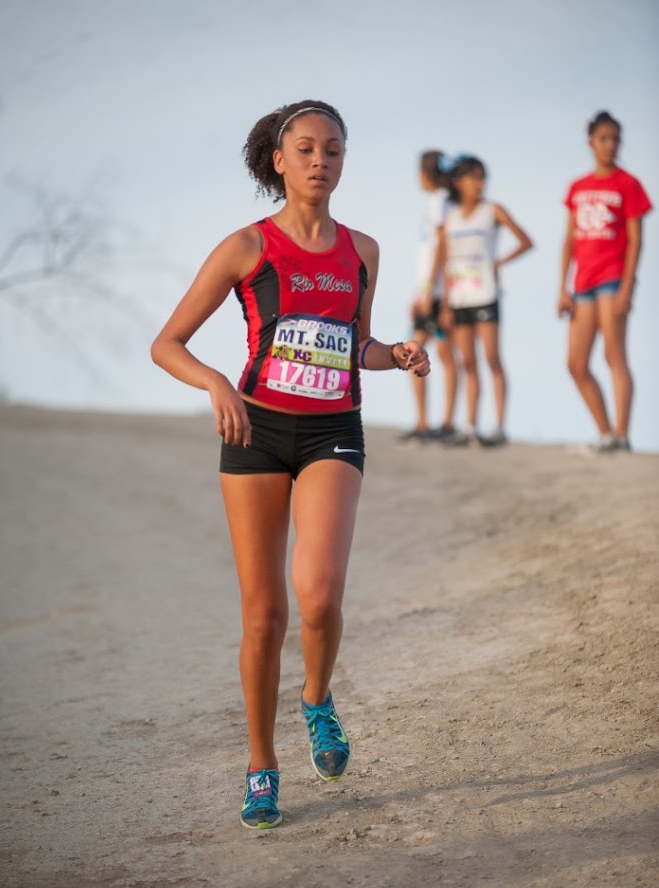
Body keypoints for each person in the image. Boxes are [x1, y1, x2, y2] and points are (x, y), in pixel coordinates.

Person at [150, 100, 429, 830]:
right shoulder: (247, 246)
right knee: (263, 617)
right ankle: (260, 765)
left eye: (333, 150)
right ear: (279, 161)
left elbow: (356, 344)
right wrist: (215, 384)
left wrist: (393, 355)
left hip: (334, 429)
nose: (320, 161)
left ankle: (316, 700)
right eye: (305, 149)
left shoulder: (362, 251)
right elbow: (167, 343)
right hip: (256, 432)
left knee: (320, 597)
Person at [558, 110, 652, 452]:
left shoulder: (629, 184)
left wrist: (628, 287)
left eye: (615, 138)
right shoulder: (578, 188)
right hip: (582, 284)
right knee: (576, 363)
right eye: (603, 138)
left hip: (613, 281)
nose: (610, 145)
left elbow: (636, 239)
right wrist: (562, 289)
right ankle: (605, 433)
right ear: (591, 142)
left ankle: (622, 436)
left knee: (615, 356)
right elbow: (569, 240)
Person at [438, 156, 533, 446]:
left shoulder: (493, 211)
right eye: (474, 177)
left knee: (492, 358)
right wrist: (444, 304)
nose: (480, 183)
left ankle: (500, 427)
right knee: (467, 361)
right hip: (459, 297)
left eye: (482, 177)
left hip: (486, 295)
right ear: (459, 182)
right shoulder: (450, 217)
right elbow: (444, 261)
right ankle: (470, 426)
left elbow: (525, 241)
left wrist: (497, 263)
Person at [401, 150, 458, 442]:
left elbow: (443, 247)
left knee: (431, 353)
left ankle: (442, 423)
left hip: (436, 294)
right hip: (428, 291)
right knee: (435, 354)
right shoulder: (438, 203)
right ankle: (427, 423)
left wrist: (431, 292)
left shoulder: (441, 202)